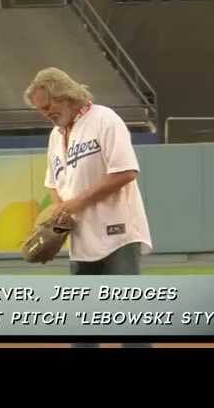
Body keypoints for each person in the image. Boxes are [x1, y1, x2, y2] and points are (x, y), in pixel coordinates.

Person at [24, 67, 153, 349]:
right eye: (40, 109)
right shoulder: (56, 136)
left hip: (118, 235)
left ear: (66, 95)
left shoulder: (104, 120)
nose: (45, 112)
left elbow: (126, 171)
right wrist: (60, 211)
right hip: (81, 239)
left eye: (48, 105)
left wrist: (76, 202)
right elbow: (53, 181)